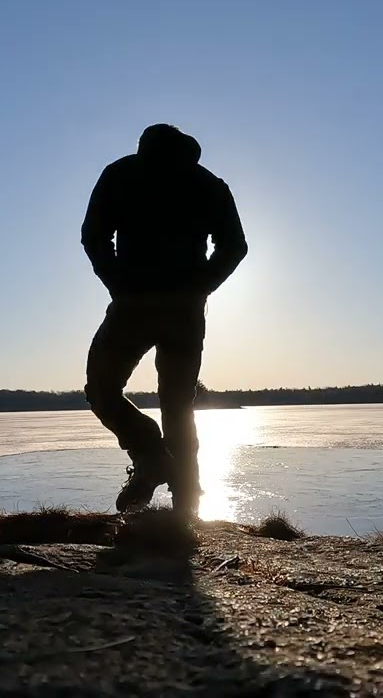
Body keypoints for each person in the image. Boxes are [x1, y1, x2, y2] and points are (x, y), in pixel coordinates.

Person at [81, 124, 248, 515]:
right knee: (167, 403)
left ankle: (168, 479)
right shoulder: (196, 182)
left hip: (149, 306)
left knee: (118, 392)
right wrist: (197, 288)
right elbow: (234, 247)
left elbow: (94, 236)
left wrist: (122, 285)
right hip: (160, 307)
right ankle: (168, 480)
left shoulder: (132, 174)